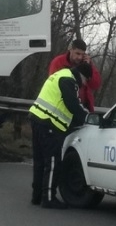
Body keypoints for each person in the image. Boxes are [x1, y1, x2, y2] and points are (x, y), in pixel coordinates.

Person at [28, 62, 91, 209]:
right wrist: (87, 117)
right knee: (53, 161)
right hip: (48, 123)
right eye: (86, 81)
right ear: (82, 76)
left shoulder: (60, 74)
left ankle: (37, 196)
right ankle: (48, 198)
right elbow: (72, 104)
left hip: (37, 118)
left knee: (40, 161)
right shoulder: (69, 80)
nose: (84, 84)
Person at [48, 38, 102, 112]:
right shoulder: (58, 62)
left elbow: (96, 84)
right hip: (62, 106)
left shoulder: (86, 64)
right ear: (71, 50)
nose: (79, 57)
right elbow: (53, 85)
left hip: (83, 106)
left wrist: (89, 68)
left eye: (82, 54)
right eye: (77, 53)